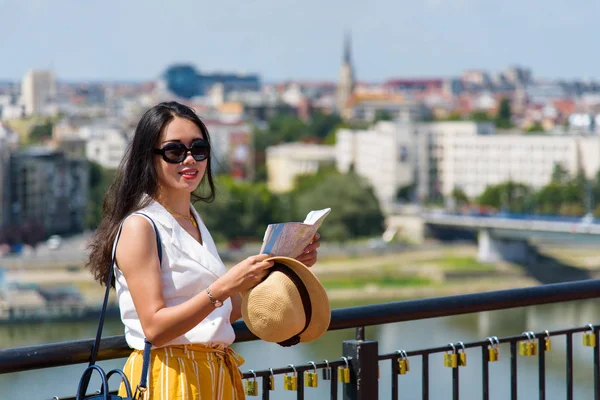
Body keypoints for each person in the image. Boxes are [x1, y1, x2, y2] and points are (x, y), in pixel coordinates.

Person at [86, 101, 320, 399]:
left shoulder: (192, 220)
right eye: (174, 151)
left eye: (199, 149)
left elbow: (222, 312)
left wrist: (284, 265)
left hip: (214, 373)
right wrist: (224, 287)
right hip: (171, 376)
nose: (189, 160)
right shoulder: (140, 226)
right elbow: (154, 328)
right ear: (149, 157)